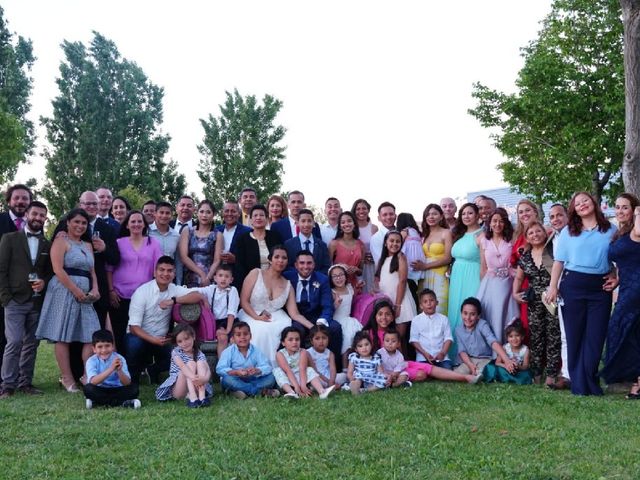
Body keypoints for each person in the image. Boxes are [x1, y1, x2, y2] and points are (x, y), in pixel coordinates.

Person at [546, 192, 616, 396]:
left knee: (595, 338)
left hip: (600, 288)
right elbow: (558, 261)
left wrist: (616, 276)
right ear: (574, 210)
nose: (582, 204)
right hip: (573, 285)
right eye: (577, 203)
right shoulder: (569, 231)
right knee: (575, 337)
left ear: (593, 203)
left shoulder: (610, 229)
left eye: (585, 200)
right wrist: (553, 286)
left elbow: (618, 258)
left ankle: (590, 380)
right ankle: (579, 384)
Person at [36, 208, 101, 393]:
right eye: (77, 222)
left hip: (86, 293)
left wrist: (95, 289)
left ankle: (87, 374)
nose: (80, 226)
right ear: (68, 223)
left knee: (91, 334)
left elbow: (92, 271)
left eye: (83, 223)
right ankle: (67, 377)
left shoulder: (88, 245)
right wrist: (75, 290)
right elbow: (58, 269)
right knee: (63, 335)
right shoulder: (60, 241)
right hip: (64, 290)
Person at [0, 201, 51, 398]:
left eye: (42, 215)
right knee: (13, 342)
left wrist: (44, 282)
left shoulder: (47, 244)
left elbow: (49, 272)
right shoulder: (9, 238)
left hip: (37, 301)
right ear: (27, 215)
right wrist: (5, 298)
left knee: (32, 343)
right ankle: (7, 385)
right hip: (14, 300)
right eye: (35, 214)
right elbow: (2, 269)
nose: (38, 218)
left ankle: (25, 383)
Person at [124, 256, 189, 384]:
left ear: (174, 274)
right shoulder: (142, 292)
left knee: (180, 354)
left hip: (161, 338)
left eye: (169, 271)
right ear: (154, 272)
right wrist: (153, 340)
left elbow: (197, 295)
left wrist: (174, 300)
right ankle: (132, 377)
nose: (165, 273)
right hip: (140, 336)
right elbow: (133, 327)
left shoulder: (174, 289)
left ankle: (153, 370)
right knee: (134, 344)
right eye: (162, 270)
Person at [513, 221, 560, 386]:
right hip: (534, 302)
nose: (535, 235)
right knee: (536, 338)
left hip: (553, 298)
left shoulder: (554, 251)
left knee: (554, 336)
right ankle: (536, 373)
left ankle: (552, 374)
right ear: (527, 237)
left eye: (538, 231)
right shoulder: (525, 256)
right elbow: (519, 277)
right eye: (531, 233)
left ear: (544, 232)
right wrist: (515, 293)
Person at [236, 246, 303, 363]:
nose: (280, 260)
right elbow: (244, 301)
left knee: (283, 327)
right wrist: (257, 317)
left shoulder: (288, 284)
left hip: (276, 315)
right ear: (270, 259)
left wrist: (312, 326)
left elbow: (295, 313)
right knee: (261, 328)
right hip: (251, 312)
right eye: (276, 257)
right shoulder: (256, 273)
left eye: (284, 258)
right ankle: (255, 364)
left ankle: (279, 367)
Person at [107, 210, 162, 352]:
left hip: (144, 297)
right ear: (127, 225)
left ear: (144, 224)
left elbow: (159, 269)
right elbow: (109, 269)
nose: (136, 224)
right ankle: (119, 364)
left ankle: (138, 366)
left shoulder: (153, 243)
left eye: (139, 221)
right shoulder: (118, 243)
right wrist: (110, 291)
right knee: (119, 331)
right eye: (133, 221)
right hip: (119, 296)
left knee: (140, 333)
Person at [601, 195, 640, 390]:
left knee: (618, 326)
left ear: (634, 210)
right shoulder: (621, 231)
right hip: (627, 287)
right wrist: (616, 277)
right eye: (617, 207)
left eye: (625, 207)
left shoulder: (637, 228)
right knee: (631, 331)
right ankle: (632, 378)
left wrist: (638, 211)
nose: (619, 211)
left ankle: (632, 379)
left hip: (636, 288)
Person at [284, 251, 342, 360]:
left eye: (309, 263)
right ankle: (297, 364)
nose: (305, 266)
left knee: (335, 328)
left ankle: (335, 364)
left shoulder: (322, 279)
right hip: (296, 316)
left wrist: (321, 322)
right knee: (296, 330)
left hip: (317, 316)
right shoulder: (287, 277)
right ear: (296, 265)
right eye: (302, 263)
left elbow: (327, 305)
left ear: (314, 265)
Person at [174, 264, 240, 358]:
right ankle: (222, 364)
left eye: (226, 276)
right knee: (222, 337)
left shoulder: (232, 291)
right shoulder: (211, 289)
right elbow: (195, 290)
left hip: (230, 322)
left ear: (231, 280)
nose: (223, 279)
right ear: (215, 278)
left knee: (227, 338)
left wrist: (228, 330)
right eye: (220, 276)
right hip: (215, 322)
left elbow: (231, 313)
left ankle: (227, 363)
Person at [0, 184, 32, 373]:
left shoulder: (33, 225)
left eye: (25, 198)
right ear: (9, 201)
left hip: (23, 293)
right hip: (3, 289)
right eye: (17, 198)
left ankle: (19, 377)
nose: (21, 202)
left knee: (21, 339)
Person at [476, 207, 518, 344]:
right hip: (491, 283)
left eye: (501, 221)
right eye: (494, 221)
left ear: (505, 223)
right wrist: (483, 288)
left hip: (508, 282)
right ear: (489, 223)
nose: (497, 224)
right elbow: (483, 267)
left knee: (506, 315)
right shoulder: (484, 241)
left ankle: (509, 347)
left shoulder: (511, 239)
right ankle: (493, 349)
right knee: (491, 314)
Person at [447, 202, 483, 361]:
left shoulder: (482, 235)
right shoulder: (459, 234)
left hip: (473, 276)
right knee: (455, 312)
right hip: (456, 278)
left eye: (470, 213)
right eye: (464, 214)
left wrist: (483, 285)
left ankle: (472, 355)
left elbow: (484, 263)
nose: (466, 217)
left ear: (477, 215)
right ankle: (454, 354)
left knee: (470, 313)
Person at [215, 321, 279, 399]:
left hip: (253, 379)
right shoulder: (228, 351)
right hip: (236, 379)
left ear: (250, 336)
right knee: (227, 379)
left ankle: (239, 392)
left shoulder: (256, 350)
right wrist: (236, 372)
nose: (242, 337)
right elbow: (220, 369)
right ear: (233, 338)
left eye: (245, 334)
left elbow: (267, 366)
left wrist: (257, 370)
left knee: (271, 378)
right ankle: (260, 392)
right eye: (238, 335)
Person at [375, 230, 416, 349]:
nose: (394, 244)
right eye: (391, 241)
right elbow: (380, 281)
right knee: (390, 340)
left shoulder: (400, 257)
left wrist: (397, 305)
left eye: (398, 241)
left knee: (398, 339)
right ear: (385, 243)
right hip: (388, 303)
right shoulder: (381, 260)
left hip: (401, 302)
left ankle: (402, 364)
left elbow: (402, 281)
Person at [454, 297, 515, 377]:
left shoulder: (482, 325)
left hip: (485, 359)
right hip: (470, 359)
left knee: (481, 372)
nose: (468, 318)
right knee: (457, 373)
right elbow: (462, 351)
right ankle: (470, 373)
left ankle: (478, 375)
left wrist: (506, 360)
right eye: (465, 313)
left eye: (472, 314)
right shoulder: (458, 330)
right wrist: (470, 364)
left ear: (478, 316)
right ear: (461, 313)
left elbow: (493, 342)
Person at [155, 324, 212, 407]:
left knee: (200, 363)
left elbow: (207, 369)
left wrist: (204, 379)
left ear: (193, 337)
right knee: (191, 364)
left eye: (186, 339)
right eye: (180, 341)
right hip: (179, 389)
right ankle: (192, 397)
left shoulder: (199, 353)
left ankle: (201, 396)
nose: (184, 343)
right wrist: (194, 378)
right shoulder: (176, 352)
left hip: (197, 385)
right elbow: (182, 367)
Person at [83, 329, 141, 409]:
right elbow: (93, 381)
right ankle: (122, 403)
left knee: (134, 389)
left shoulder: (120, 358)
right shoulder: (91, 361)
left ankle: (98, 402)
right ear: (94, 349)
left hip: (117, 389)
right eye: (100, 347)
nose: (104, 350)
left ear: (112, 346)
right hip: (100, 388)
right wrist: (111, 369)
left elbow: (127, 383)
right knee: (88, 389)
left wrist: (119, 371)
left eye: (107, 346)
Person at [273, 327, 335, 399]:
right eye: (290, 340)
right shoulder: (280, 354)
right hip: (288, 380)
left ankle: (322, 392)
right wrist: (297, 388)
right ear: (283, 343)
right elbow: (288, 371)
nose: (294, 342)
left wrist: (303, 386)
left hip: (302, 378)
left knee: (309, 369)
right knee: (277, 370)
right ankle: (291, 393)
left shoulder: (303, 352)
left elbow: (302, 369)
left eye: (297, 339)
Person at [412, 204, 452, 315]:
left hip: (440, 275)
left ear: (441, 216)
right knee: (423, 310)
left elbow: (448, 258)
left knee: (440, 308)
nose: (431, 217)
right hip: (424, 277)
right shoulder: (424, 234)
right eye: (428, 214)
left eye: (434, 214)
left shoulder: (446, 233)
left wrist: (425, 266)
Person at [547, 202, 570, 389]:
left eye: (559, 215)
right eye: (552, 217)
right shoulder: (553, 238)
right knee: (564, 334)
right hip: (559, 291)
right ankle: (567, 374)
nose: (556, 219)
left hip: (575, 287)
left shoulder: (575, 234)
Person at [510, 199, 541, 336]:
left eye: (527, 210)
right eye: (520, 212)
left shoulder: (543, 232)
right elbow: (513, 262)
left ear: (535, 212)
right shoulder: (517, 236)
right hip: (522, 285)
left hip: (538, 283)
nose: (524, 214)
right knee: (526, 324)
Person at [235, 205, 283, 288]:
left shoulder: (275, 236)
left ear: (267, 219)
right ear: (250, 220)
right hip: (251, 283)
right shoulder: (243, 239)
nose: (258, 218)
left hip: (274, 280)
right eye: (255, 215)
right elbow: (239, 266)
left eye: (261, 215)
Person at [180, 199, 223, 288]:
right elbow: (184, 257)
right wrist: (201, 274)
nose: (204, 215)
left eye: (208, 212)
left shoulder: (218, 235)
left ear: (213, 214)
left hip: (209, 279)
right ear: (197, 213)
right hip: (189, 278)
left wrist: (208, 277)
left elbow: (217, 260)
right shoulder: (187, 231)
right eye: (202, 211)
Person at [409, 289, 453, 370]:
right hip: (423, 358)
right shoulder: (416, 320)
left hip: (441, 358)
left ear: (437, 302)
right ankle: (435, 372)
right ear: (421, 306)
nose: (429, 303)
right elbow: (414, 340)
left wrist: (442, 353)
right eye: (425, 302)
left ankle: (435, 372)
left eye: (431, 300)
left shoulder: (444, 319)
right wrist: (425, 354)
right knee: (420, 372)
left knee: (448, 368)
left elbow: (448, 339)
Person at [328, 264, 362, 367]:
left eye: (341, 275)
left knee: (357, 336)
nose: (339, 278)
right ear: (331, 279)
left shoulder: (349, 287)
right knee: (347, 339)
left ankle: (358, 364)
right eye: (335, 276)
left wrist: (358, 288)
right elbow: (329, 310)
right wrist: (335, 304)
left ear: (345, 276)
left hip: (349, 319)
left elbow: (351, 299)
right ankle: (344, 367)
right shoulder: (332, 292)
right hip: (337, 320)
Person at [215, 201, 251, 289]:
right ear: (222, 213)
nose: (229, 214)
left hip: (238, 277)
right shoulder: (216, 230)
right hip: (216, 276)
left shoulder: (248, 232)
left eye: (233, 211)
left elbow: (251, 257)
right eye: (226, 211)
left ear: (239, 214)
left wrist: (236, 259)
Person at [284, 208, 331, 275]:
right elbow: (287, 266)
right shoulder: (289, 244)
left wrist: (313, 277)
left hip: (316, 283)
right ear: (297, 223)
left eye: (309, 221)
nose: (306, 224)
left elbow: (326, 267)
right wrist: (301, 275)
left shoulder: (322, 245)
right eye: (303, 221)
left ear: (313, 223)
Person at [328, 211, 365, 288]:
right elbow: (327, 267)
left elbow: (361, 272)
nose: (346, 224)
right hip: (338, 286)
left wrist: (356, 269)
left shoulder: (361, 245)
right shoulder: (334, 244)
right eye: (343, 222)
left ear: (354, 224)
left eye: (349, 221)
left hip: (355, 286)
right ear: (340, 226)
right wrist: (339, 267)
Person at [396, 212, 426, 305]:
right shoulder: (416, 232)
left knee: (407, 284)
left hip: (408, 261)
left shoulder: (405, 231)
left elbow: (398, 244)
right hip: (418, 261)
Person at [148, 201, 182, 283]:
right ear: (155, 214)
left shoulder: (176, 236)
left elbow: (178, 261)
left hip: (168, 279)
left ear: (171, 216)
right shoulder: (146, 232)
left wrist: (178, 282)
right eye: (161, 212)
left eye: (167, 213)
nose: (164, 216)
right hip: (149, 278)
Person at [347, 331, 387, 395]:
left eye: (366, 344)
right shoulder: (354, 357)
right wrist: (351, 379)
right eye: (360, 346)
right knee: (358, 379)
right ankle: (355, 386)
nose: (364, 348)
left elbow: (380, 372)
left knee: (383, 382)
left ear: (371, 345)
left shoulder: (375, 357)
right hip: (360, 376)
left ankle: (365, 390)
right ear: (356, 349)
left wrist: (385, 376)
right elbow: (350, 371)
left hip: (372, 377)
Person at [307, 324, 347, 389]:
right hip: (318, 377)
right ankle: (323, 387)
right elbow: (314, 371)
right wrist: (327, 381)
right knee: (312, 377)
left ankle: (331, 386)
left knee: (344, 376)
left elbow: (332, 370)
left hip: (329, 377)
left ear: (328, 339)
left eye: (324, 338)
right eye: (317, 338)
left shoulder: (330, 353)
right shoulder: (308, 353)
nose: (321, 341)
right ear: (311, 341)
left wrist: (332, 381)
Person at [351, 199, 378, 293]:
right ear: (354, 211)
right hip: (356, 266)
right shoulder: (351, 228)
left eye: (364, 208)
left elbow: (377, 248)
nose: (361, 211)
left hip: (371, 266)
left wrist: (374, 257)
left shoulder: (374, 228)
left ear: (368, 210)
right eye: (358, 209)